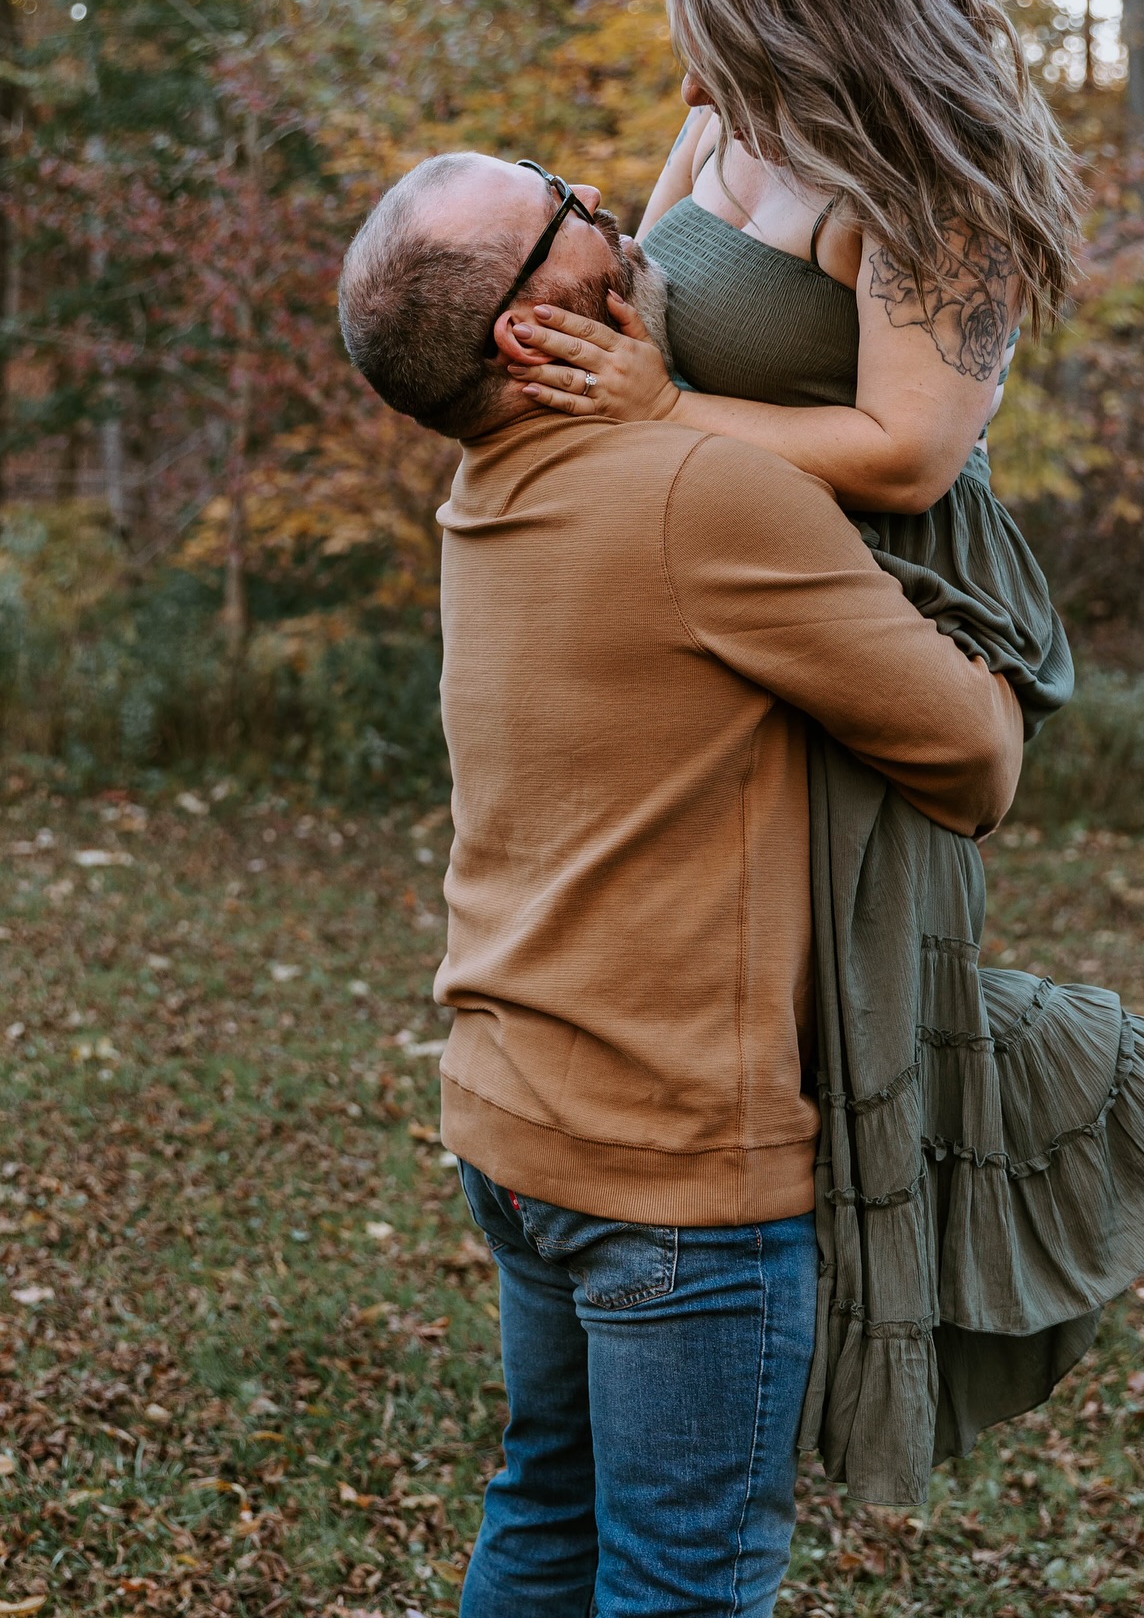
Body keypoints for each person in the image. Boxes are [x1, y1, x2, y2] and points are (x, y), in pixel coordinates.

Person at [492, 0, 1144, 1504]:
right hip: (729, 563)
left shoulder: (936, 194)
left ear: (818, 26)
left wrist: (658, 421)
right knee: (779, 992)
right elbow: (656, 328)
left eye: (725, 35)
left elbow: (904, 450)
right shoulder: (718, 124)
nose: (695, 75)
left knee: (866, 996)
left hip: (892, 590)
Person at [337, 149, 1027, 1616]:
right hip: (673, 1179)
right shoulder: (697, 493)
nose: (616, 213)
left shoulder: (485, 487)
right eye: (566, 211)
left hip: (516, 1126)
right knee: (685, 1586)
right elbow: (973, 762)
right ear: (533, 334)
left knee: (544, 1520)